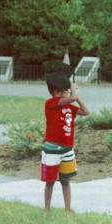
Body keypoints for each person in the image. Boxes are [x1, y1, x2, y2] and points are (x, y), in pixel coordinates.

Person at [41, 72, 90, 213]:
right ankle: (47, 209)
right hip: (52, 149)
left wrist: (77, 96)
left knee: (65, 180)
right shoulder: (51, 103)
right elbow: (71, 98)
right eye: (59, 92)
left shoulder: (70, 107)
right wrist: (73, 93)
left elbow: (86, 112)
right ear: (52, 92)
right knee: (50, 181)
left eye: (65, 91)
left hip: (67, 148)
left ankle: (67, 209)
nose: (63, 95)